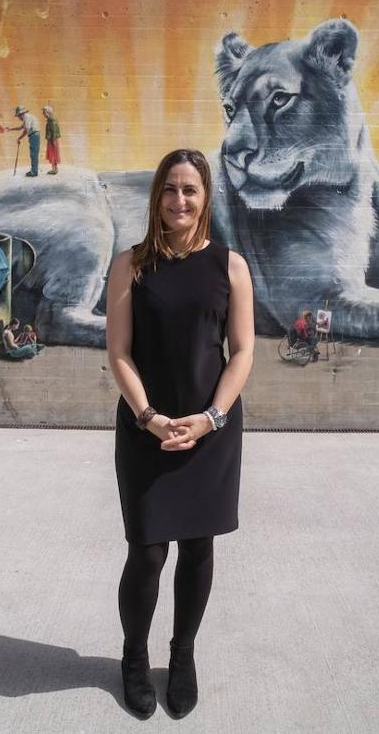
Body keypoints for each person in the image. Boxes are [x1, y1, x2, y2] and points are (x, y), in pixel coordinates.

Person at [105, 148, 255, 719]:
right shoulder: (131, 265)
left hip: (210, 429)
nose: (179, 201)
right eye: (170, 189)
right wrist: (148, 417)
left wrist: (212, 417)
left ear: (206, 197)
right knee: (146, 553)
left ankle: (183, 654)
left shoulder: (230, 267)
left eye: (190, 190)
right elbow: (118, 352)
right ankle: (134, 658)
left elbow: (242, 353)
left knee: (198, 549)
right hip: (147, 428)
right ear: (156, 197)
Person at [9, 105, 40, 177]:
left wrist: (19, 138)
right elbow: (20, 128)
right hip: (33, 135)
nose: (18, 118)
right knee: (33, 154)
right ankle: (34, 170)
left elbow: (26, 130)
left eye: (18, 116)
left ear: (21, 114)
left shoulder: (27, 118)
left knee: (34, 154)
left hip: (34, 135)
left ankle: (34, 172)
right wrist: (10, 129)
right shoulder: (27, 118)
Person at [42, 106, 61, 175]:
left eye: (44, 113)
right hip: (52, 139)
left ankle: (54, 169)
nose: (43, 114)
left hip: (52, 140)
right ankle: (55, 168)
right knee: (53, 154)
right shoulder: (51, 120)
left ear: (48, 113)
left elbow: (53, 131)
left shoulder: (52, 121)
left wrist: (53, 141)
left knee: (53, 154)